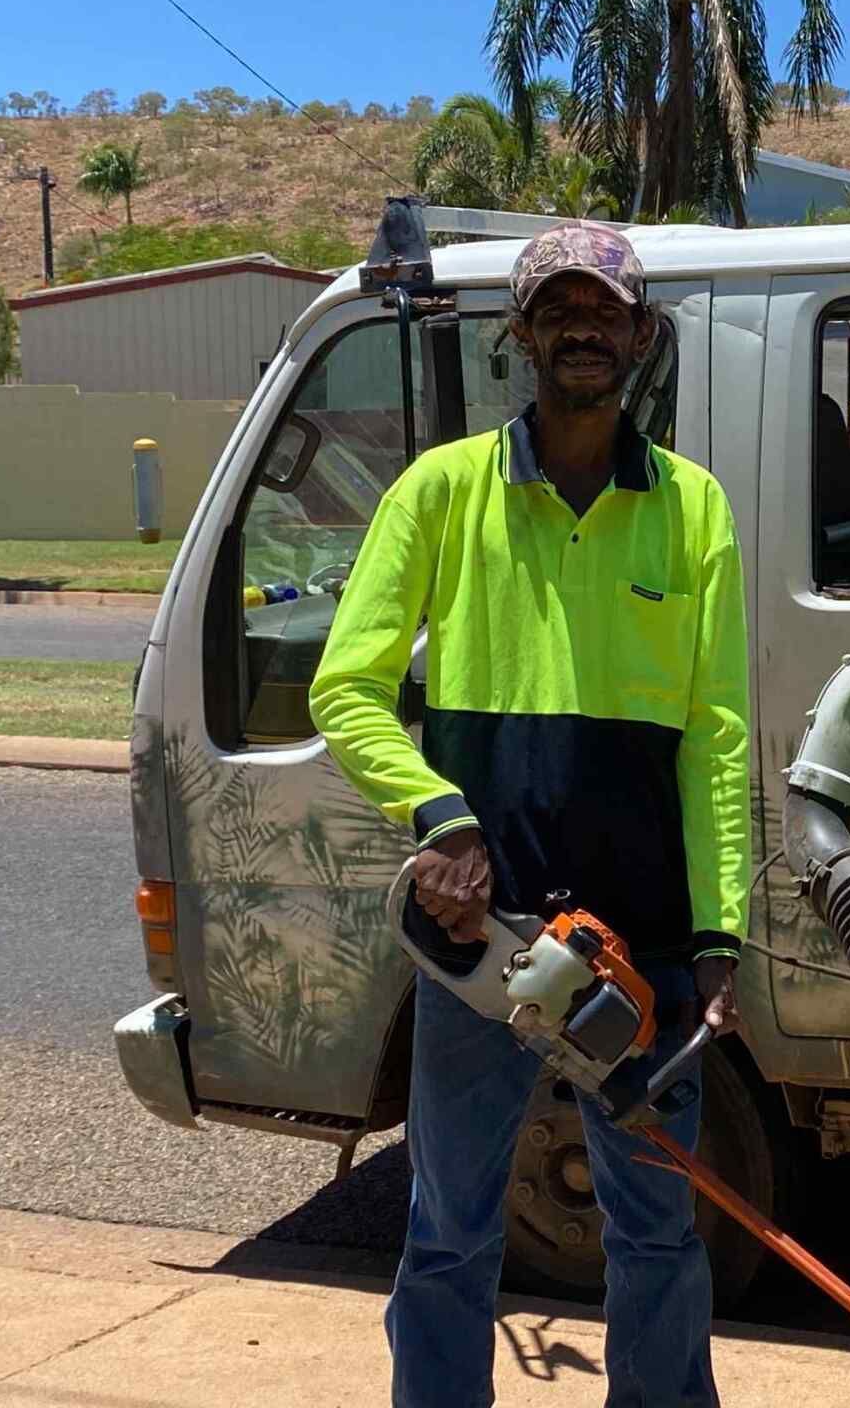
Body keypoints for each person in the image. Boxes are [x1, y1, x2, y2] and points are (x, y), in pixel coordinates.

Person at [308, 222, 752, 1408]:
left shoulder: (693, 509)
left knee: (657, 1235)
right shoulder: (441, 491)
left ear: (641, 336)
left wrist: (720, 939)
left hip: (643, 953)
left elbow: (716, 741)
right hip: (483, 949)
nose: (584, 328)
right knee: (451, 1231)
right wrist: (439, 816)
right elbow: (343, 688)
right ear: (522, 335)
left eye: (606, 310)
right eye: (558, 309)